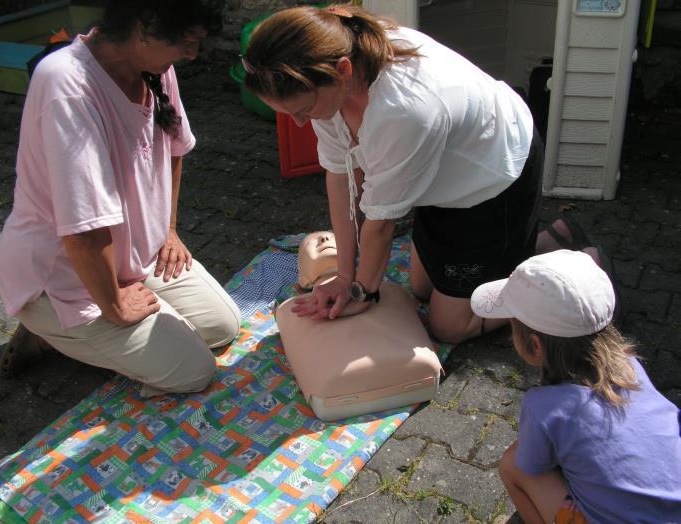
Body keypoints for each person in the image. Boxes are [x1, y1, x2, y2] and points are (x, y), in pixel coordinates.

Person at [242, 3, 551, 344]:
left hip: (493, 180)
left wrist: (363, 293)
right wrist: (345, 275)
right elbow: (342, 178)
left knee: (448, 327)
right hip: (442, 178)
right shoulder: (334, 68)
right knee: (421, 288)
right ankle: (530, 244)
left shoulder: (404, 110)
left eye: (303, 110)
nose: (300, 122)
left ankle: (567, 267)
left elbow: (381, 225)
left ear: (342, 70)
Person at [0, 0, 241, 397]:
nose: (193, 54)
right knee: (193, 371)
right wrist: (113, 307)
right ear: (145, 25)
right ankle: (48, 328)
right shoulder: (66, 83)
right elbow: (82, 232)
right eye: (187, 41)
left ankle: (73, 335)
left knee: (222, 325)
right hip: (69, 276)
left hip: (134, 256)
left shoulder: (155, 69)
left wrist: (169, 231)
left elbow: (174, 149)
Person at [470, 250, 681, 523]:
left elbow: (531, 465)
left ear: (535, 345)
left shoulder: (545, 408)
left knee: (513, 465)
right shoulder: (630, 366)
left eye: (512, 324)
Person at [276, 231, 441, 421]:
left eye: (332, 236)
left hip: (339, 390)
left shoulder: (389, 291)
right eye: (312, 242)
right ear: (302, 279)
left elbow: (380, 227)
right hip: (415, 373)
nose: (324, 239)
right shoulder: (291, 309)